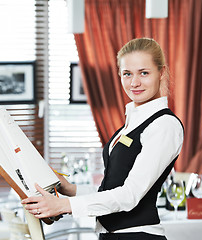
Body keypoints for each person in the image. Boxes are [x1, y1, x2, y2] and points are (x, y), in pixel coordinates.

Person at [22, 38, 184, 240]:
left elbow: (130, 195)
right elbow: (113, 188)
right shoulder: (130, 124)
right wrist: (70, 189)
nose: (134, 82)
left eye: (144, 73)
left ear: (161, 72)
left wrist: (63, 205)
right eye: (127, 74)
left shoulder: (164, 125)